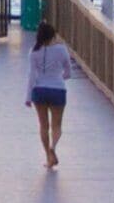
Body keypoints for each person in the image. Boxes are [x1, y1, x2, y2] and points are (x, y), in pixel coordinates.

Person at [26, 22, 79, 168]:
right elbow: (68, 72)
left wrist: (28, 96)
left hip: (39, 90)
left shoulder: (34, 51)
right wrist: (62, 77)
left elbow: (31, 75)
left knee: (43, 126)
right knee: (57, 125)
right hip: (58, 89)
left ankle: (48, 157)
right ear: (53, 35)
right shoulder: (61, 50)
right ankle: (53, 147)